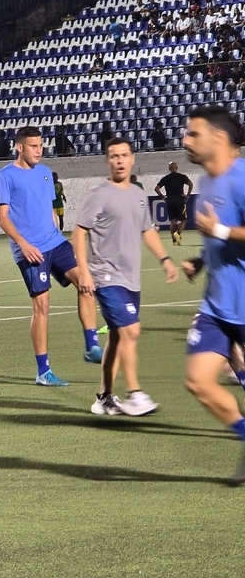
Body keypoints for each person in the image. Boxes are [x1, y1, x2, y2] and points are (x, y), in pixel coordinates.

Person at [72, 137, 179, 417]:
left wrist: (165, 260)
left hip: (131, 279)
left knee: (118, 337)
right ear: (107, 160)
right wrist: (83, 271)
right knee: (131, 330)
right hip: (106, 276)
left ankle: (104, 398)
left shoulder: (138, 195)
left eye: (124, 155)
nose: (119, 160)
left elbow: (147, 231)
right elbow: (79, 233)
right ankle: (135, 394)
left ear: (132, 159)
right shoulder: (98, 194)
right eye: (114, 156)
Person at [0, 126, 103, 387]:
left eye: (41, 145)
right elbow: (1, 216)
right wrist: (23, 245)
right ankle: (43, 372)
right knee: (42, 307)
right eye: (33, 146)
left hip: (55, 242)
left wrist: (57, 232)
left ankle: (92, 345)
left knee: (86, 281)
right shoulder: (5, 176)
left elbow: (50, 208)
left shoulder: (44, 173)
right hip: (30, 249)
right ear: (20, 147)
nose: (39, 150)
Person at [179, 105, 245, 484]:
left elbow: (223, 230)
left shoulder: (242, 179)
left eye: (193, 133)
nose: (186, 140)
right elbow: (218, 238)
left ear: (218, 138)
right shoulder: (206, 182)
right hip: (217, 307)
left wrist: (219, 232)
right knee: (198, 381)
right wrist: (201, 261)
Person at [154, 161, 194, 245]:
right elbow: (190, 184)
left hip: (170, 201)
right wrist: (187, 195)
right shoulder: (182, 176)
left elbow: (156, 188)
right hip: (180, 200)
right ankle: (177, 234)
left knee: (173, 222)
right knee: (183, 220)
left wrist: (163, 197)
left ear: (169, 169)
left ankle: (174, 241)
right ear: (177, 168)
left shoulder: (166, 178)